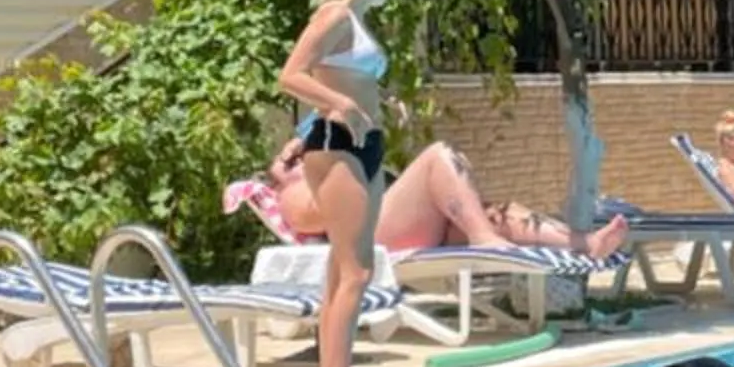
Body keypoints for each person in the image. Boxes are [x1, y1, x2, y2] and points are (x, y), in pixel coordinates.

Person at [276, 0, 401, 367]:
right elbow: (292, 74)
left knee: (343, 270)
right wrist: (339, 103)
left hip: (366, 144)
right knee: (356, 270)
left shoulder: (358, 22)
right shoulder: (334, 15)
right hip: (336, 144)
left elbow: (351, 76)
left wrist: (384, 100)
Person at [258, 133, 630, 263]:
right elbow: (327, 214)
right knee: (438, 156)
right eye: (286, 162)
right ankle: (483, 237)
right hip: (371, 238)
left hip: (394, 225)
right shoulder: (291, 194)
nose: (295, 158)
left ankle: (585, 243)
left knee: (498, 214)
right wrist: (318, 160)